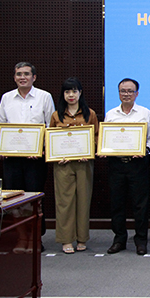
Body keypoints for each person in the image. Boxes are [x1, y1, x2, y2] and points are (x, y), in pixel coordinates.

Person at [0, 62, 55, 250]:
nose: (23, 77)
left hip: (35, 159)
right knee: (14, 200)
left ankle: (36, 238)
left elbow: (50, 125)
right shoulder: (7, 98)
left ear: (34, 77)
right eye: (19, 74)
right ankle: (21, 238)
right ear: (14, 77)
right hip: (12, 159)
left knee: (34, 199)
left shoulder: (44, 97)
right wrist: (0, 147)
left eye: (26, 74)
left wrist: (42, 148)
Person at [104, 78, 150, 255]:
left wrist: (144, 150)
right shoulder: (111, 114)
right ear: (118, 93)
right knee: (117, 203)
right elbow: (106, 138)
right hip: (116, 164)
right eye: (123, 91)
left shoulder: (145, 113)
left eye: (130, 91)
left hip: (138, 164)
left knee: (140, 204)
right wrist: (104, 149)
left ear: (137, 94)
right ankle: (119, 240)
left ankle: (141, 241)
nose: (126, 94)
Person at [49, 77, 98, 254]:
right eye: (67, 91)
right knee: (64, 202)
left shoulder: (89, 113)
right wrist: (56, 155)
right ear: (63, 94)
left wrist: (89, 151)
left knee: (84, 200)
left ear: (80, 93)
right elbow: (51, 138)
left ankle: (82, 238)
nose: (71, 95)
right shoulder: (56, 115)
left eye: (74, 91)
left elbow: (97, 137)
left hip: (84, 164)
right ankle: (66, 239)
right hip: (63, 164)